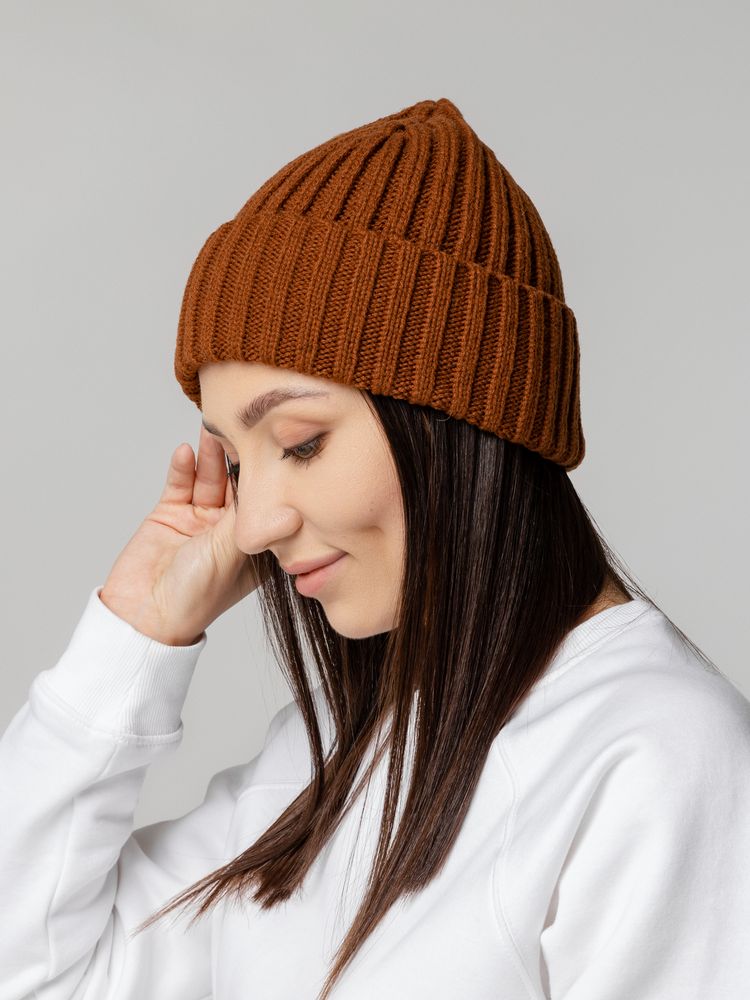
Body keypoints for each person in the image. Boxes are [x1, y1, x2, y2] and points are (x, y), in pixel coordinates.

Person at [1, 98, 748, 1000]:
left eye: (301, 443)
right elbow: (33, 971)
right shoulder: (332, 756)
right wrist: (136, 631)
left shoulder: (654, 758)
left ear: (461, 422)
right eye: (235, 462)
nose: (252, 523)